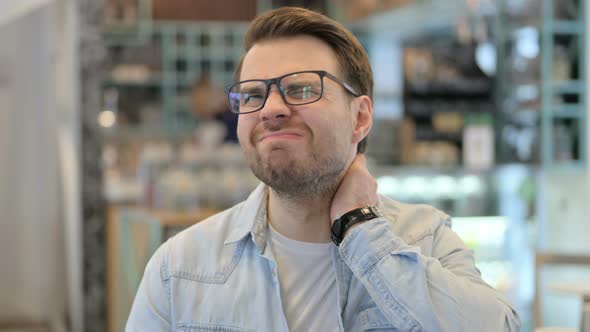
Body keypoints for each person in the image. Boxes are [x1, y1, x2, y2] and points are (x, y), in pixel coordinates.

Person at [127, 7, 520, 331]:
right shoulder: (179, 270)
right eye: (252, 94)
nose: (271, 108)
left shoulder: (425, 237)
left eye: (301, 88)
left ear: (360, 117)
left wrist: (361, 230)